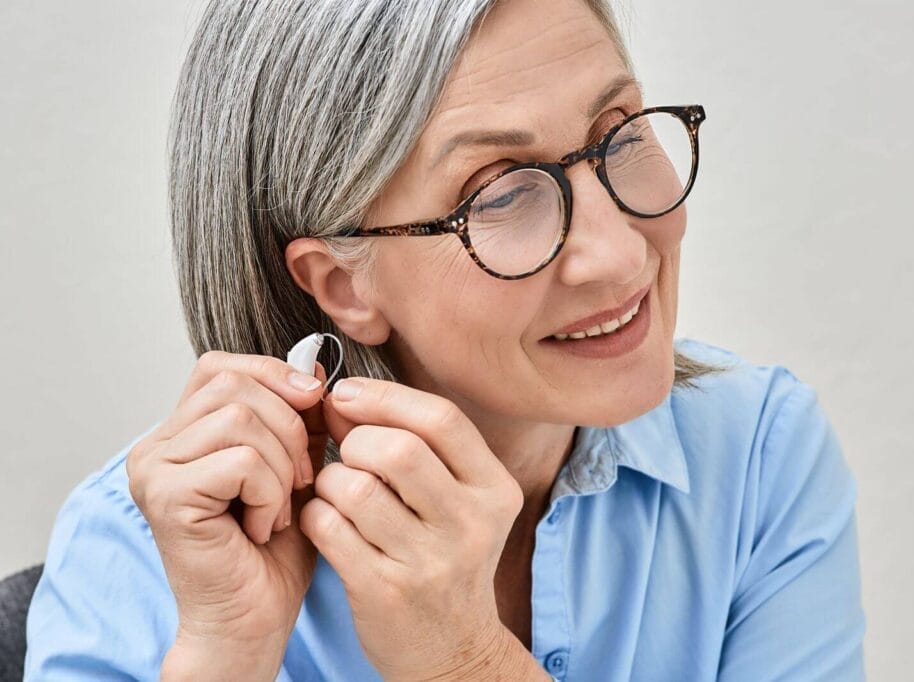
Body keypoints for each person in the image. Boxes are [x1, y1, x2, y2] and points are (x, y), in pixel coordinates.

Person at [24, 0, 866, 679]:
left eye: (619, 132)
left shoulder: (756, 452)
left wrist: (464, 662)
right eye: (502, 195)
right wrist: (224, 655)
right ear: (341, 286)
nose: (618, 253)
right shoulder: (139, 554)